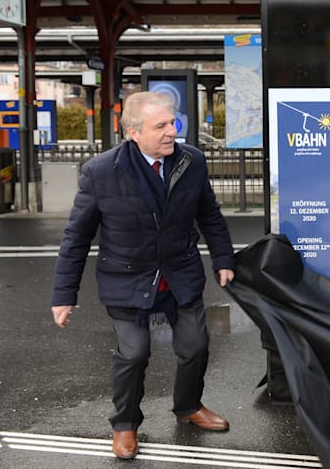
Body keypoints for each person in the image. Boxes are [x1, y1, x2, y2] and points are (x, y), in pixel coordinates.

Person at [50, 90, 238, 460]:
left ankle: (189, 406)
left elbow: (210, 214)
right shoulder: (101, 172)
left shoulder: (191, 162)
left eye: (173, 122)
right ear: (134, 132)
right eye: (161, 126)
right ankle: (125, 424)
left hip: (180, 272)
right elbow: (76, 237)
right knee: (134, 353)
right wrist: (63, 295)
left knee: (195, 345)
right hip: (127, 277)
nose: (172, 131)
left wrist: (223, 259)